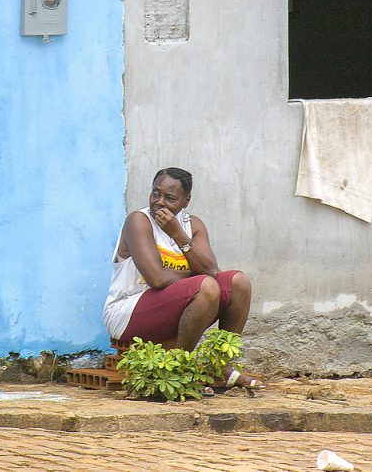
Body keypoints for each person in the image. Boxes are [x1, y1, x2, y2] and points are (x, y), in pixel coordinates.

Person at [103, 167, 263, 389]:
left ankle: (221, 366)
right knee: (205, 286)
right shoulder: (138, 221)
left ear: (186, 201)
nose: (159, 202)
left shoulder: (191, 225)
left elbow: (211, 270)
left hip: (171, 303)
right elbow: (157, 279)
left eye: (170, 198)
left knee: (238, 282)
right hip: (127, 311)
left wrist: (177, 234)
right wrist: (195, 278)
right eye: (155, 193)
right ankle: (179, 368)